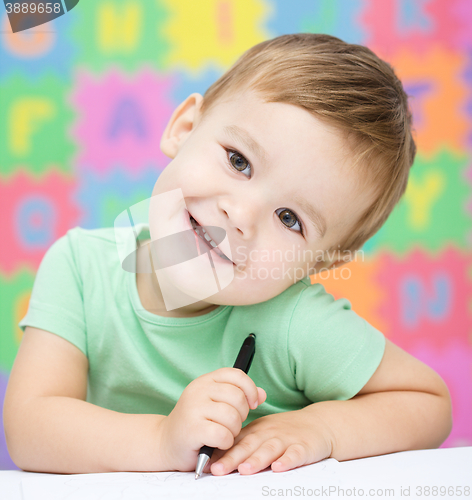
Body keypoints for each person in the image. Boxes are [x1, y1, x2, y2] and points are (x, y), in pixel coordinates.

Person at [4, 33, 452, 476]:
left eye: (290, 218)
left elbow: (428, 403)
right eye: (239, 161)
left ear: (319, 263)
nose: (240, 215)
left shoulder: (295, 321)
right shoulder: (81, 269)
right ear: (183, 130)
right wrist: (162, 440)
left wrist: (319, 427)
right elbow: (30, 426)